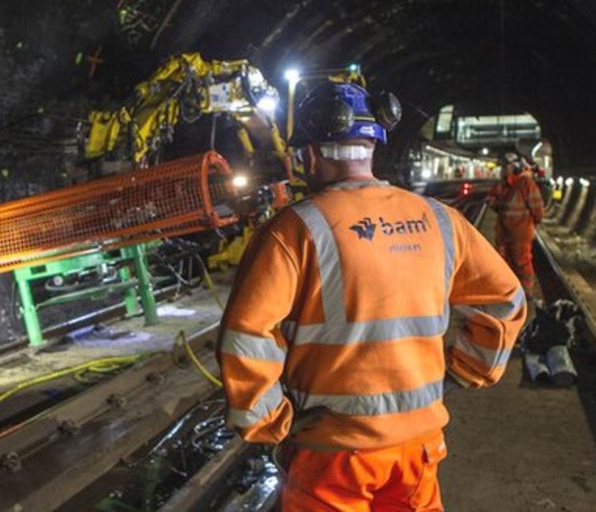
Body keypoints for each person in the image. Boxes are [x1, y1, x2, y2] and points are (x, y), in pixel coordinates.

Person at [218, 80, 527, 510]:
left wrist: (271, 424)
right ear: (373, 147)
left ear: (308, 155)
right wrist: (463, 373)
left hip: (333, 455)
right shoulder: (440, 220)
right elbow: (507, 299)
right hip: (419, 447)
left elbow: (246, 336)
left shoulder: (294, 231)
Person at [490, 152, 545, 291]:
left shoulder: (526, 183)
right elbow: (494, 203)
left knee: (522, 263)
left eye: (505, 167)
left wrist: (530, 224)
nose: (503, 170)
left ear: (514, 167)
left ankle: (527, 294)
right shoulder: (505, 184)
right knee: (506, 263)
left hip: (520, 233)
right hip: (505, 232)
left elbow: (537, 209)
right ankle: (513, 292)